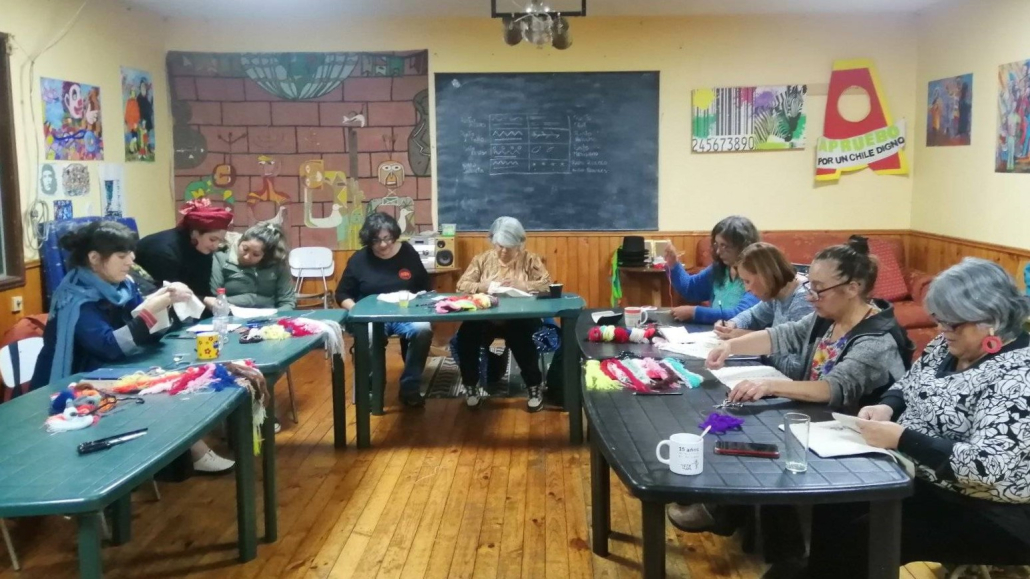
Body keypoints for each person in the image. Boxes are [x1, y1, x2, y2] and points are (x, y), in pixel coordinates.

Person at [801, 258, 1030, 579]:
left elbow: (987, 468)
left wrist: (901, 438)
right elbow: (908, 385)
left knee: (863, 537)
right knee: (835, 498)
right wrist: (887, 407)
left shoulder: (1019, 374)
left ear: (991, 319)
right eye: (940, 320)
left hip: (992, 511)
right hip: (923, 478)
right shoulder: (948, 345)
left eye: (952, 323)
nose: (941, 330)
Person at [32, 221, 234, 474]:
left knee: (175, 379)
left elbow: (144, 332)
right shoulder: (76, 299)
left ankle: (189, 455)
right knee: (160, 394)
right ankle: (191, 455)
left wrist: (166, 303)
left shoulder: (122, 286)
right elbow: (110, 346)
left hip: (109, 369)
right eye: (121, 255)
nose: (131, 260)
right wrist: (151, 310)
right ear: (94, 258)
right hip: (76, 382)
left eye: (131, 252)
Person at [705, 235, 912, 409]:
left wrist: (768, 385)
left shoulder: (876, 341)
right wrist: (730, 346)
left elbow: (832, 387)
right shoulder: (826, 316)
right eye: (810, 286)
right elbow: (784, 334)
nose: (809, 296)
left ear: (852, 288)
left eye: (818, 289)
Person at [335, 212, 432, 408]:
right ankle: (373, 388)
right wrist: (358, 311)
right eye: (376, 240)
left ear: (394, 236)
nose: (383, 245)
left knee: (423, 329)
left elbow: (425, 288)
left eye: (387, 238)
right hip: (371, 316)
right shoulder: (359, 259)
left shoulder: (408, 253)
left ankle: (410, 388)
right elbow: (342, 295)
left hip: (405, 313)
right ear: (368, 240)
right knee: (370, 336)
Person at [455, 217, 551, 411]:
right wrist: (485, 286)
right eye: (500, 246)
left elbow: (548, 285)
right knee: (466, 335)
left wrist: (523, 285)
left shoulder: (530, 259)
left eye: (510, 246)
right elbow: (461, 285)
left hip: (519, 317)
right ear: (493, 242)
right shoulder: (482, 260)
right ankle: (471, 386)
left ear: (519, 243)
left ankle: (533, 386)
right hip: (486, 316)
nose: (504, 251)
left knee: (523, 336)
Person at [713, 242, 814, 379]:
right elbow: (752, 315)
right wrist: (732, 324)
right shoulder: (776, 291)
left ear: (765, 276)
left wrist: (755, 342)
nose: (746, 289)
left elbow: (796, 369)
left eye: (747, 281)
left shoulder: (803, 302)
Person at [663, 215, 760, 324]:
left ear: (743, 246)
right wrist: (673, 264)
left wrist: (694, 312)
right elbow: (690, 289)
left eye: (725, 246)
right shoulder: (719, 268)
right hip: (715, 333)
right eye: (717, 245)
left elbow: (742, 314)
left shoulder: (758, 276)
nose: (718, 251)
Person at [135, 198, 232, 306]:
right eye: (212, 239)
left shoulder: (202, 248)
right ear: (195, 233)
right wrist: (204, 300)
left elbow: (201, 288)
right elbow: (170, 294)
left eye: (220, 241)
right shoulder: (163, 251)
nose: (215, 246)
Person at [210, 221, 296, 310]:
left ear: (265, 256)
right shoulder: (221, 259)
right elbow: (214, 297)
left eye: (256, 254)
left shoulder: (277, 264)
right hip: (231, 314)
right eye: (245, 249)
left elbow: (287, 302)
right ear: (239, 242)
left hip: (269, 317)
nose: (247, 257)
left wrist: (275, 318)